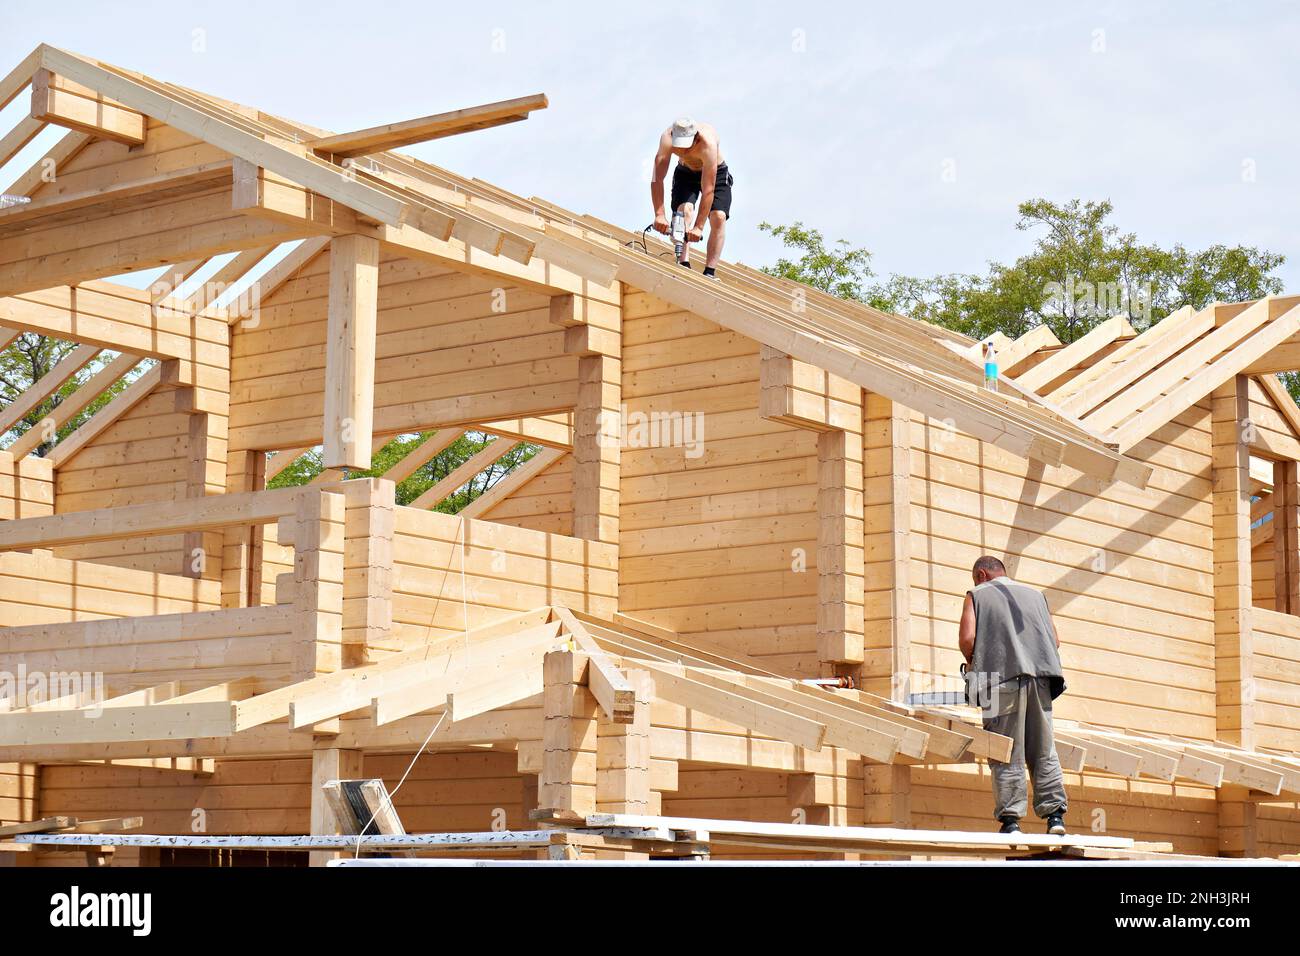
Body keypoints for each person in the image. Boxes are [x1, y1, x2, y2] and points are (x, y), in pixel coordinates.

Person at [958, 555, 1069, 835]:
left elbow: (968, 639)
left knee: (1006, 750)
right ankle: (1055, 817)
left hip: (1000, 682)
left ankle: (1011, 822)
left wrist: (974, 663)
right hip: (1041, 680)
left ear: (981, 575)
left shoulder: (976, 594)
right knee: (1043, 749)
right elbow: (1055, 641)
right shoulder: (1036, 596)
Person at [650, 117, 734, 278]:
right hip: (685, 172)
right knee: (684, 211)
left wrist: (699, 227)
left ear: (695, 138)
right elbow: (657, 178)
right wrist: (659, 214)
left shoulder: (707, 144)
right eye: (679, 147)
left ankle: (710, 271)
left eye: (686, 146)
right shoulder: (667, 139)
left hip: (715, 173)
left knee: (718, 217)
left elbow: (708, 190)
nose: (683, 151)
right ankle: (683, 262)